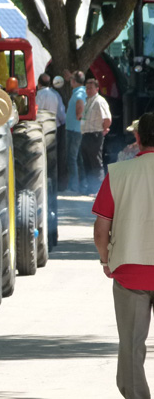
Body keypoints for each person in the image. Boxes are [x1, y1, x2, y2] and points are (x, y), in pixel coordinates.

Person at [93, 112, 154, 398]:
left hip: (130, 273)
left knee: (131, 345)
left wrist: (106, 260)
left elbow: (101, 229)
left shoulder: (118, 174)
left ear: (138, 138)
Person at [81, 78, 112, 195]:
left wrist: (103, 129)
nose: (88, 90)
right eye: (87, 88)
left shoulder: (100, 101)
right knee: (87, 161)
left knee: (95, 161)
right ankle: (90, 187)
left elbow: (107, 119)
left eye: (90, 88)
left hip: (95, 134)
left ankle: (98, 188)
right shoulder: (87, 101)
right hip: (86, 134)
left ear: (97, 89)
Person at [65, 70, 87, 194]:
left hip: (74, 130)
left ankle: (73, 186)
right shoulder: (81, 91)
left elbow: (80, 109)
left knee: (72, 158)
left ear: (74, 81)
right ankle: (82, 184)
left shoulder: (79, 94)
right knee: (78, 158)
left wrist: (78, 115)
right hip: (76, 130)